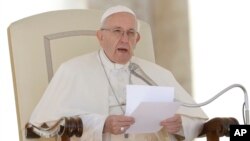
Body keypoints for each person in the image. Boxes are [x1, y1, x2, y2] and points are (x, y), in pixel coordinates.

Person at [30, 5, 208, 141]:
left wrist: (180, 124)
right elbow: (40, 126)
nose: (125, 39)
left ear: (137, 39)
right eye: (117, 31)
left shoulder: (157, 73)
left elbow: (197, 119)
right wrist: (102, 124)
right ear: (101, 37)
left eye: (131, 33)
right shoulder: (72, 70)